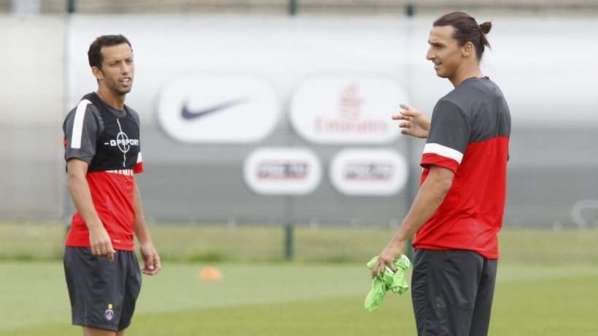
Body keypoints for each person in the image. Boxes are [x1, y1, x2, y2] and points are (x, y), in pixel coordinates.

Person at [372, 11, 511, 336]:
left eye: (438, 46)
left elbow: (440, 179)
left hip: (445, 248)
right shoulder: (495, 99)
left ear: (466, 49)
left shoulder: (453, 104)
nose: (429, 55)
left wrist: (398, 241)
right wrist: (437, 132)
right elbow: (482, 158)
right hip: (482, 252)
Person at [62, 34, 161, 336]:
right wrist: (95, 228)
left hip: (123, 248)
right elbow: (75, 176)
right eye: (115, 63)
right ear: (97, 71)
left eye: (128, 61)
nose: (125, 69)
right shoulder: (86, 113)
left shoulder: (131, 118)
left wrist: (144, 240)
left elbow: (129, 184)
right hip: (93, 247)